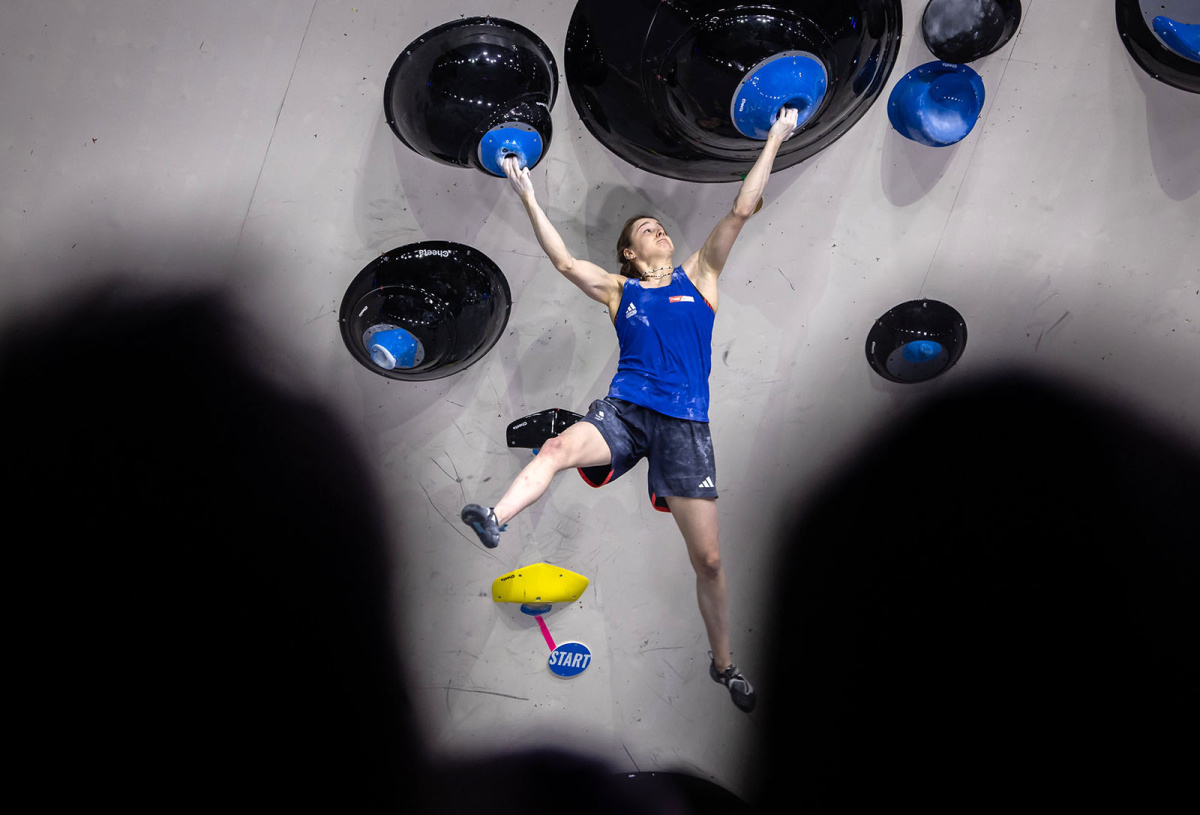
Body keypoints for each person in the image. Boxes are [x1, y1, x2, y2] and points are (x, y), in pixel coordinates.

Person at [462, 107, 803, 713]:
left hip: (685, 426)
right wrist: (528, 196)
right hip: (625, 409)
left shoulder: (701, 274)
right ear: (628, 251)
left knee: (711, 559)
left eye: (661, 226)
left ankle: (723, 664)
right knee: (558, 448)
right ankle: (495, 515)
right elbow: (566, 262)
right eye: (646, 229)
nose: (659, 231)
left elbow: (742, 209)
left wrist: (775, 136)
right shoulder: (621, 291)